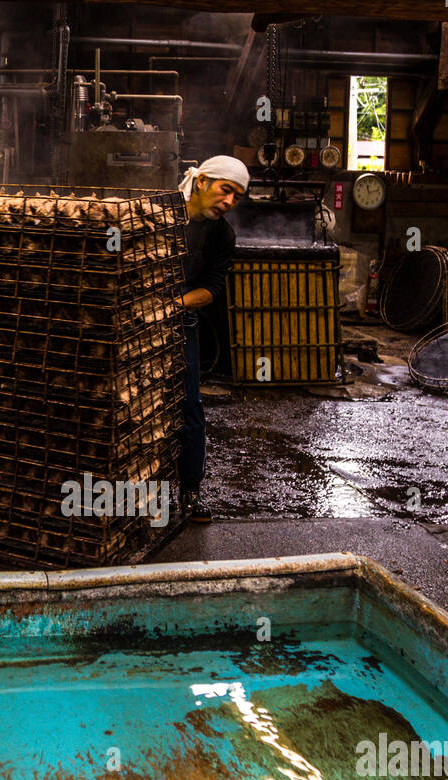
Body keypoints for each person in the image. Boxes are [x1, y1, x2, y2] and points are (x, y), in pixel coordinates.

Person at [175, 155, 249, 523]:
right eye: (226, 190)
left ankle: (189, 491)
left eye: (237, 197)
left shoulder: (223, 235)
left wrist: (170, 306)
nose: (229, 202)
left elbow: (211, 290)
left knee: (188, 402)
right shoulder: (162, 212)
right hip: (133, 309)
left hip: (179, 317)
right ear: (202, 181)